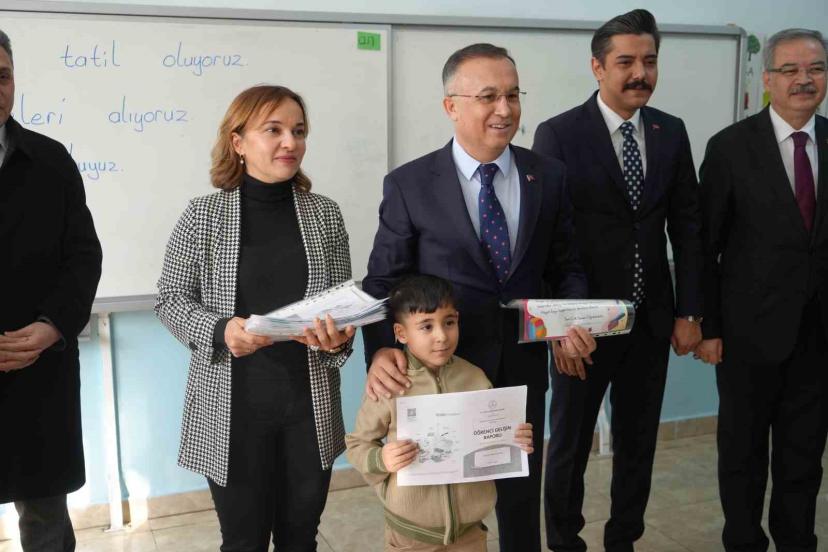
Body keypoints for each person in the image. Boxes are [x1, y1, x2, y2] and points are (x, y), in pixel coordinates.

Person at [362, 43, 596, 552]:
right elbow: (383, 281)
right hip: (442, 372)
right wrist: (381, 350)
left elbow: (566, 268)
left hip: (521, 367)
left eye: (513, 95)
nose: (505, 109)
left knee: (519, 501)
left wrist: (567, 323)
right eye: (488, 96)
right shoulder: (409, 184)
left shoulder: (548, 176)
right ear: (451, 106)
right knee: (447, 506)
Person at [155, 85, 355, 551]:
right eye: (274, 130)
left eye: (299, 131)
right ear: (238, 141)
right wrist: (220, 329)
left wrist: (338, 338)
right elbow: (170, 298)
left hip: (308, 411)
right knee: (243, 542)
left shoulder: (325, 215)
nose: (290, 142)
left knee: (300, 539)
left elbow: (342, 309)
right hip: (232, 412)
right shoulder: (203, 215)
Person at [532, 10, 703, 551]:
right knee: (570, 444)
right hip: (582, 326)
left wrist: (690, 311)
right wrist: (559, 327)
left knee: (638, 443)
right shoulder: (559, 133)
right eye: (626, 61)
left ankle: (623, 540)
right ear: (597, 67)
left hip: (651, 321)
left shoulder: (670, 131)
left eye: (649, 61)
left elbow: (689, 229)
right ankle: (565, 541)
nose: (640, 73)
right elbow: (546, 239)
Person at [695, 28, 828, 552]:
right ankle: (744, 542)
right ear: (768, 79)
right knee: (743, 455)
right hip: (746, 337)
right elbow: (704, 247)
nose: (804, 80)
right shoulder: (730, 147)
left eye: (815, 69)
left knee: (804, 457)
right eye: (790, 70)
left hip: (818, 337)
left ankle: (797, 542)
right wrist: (707, 327)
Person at [0, 28, 103, 551]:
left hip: (39, 372)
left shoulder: (50, 160)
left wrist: (52, 326)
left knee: (45, 520)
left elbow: (83, 257)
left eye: (2, 76)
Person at [346, 274, 534, 552]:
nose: (442, 336)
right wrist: (381, 459)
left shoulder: (476, 378)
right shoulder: (389, 384)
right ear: (401, 333)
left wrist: (515, 439)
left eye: (449, 322)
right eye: (426, 326)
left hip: (470, 533)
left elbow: (492, 441)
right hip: (410, 536)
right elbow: (358, 444)